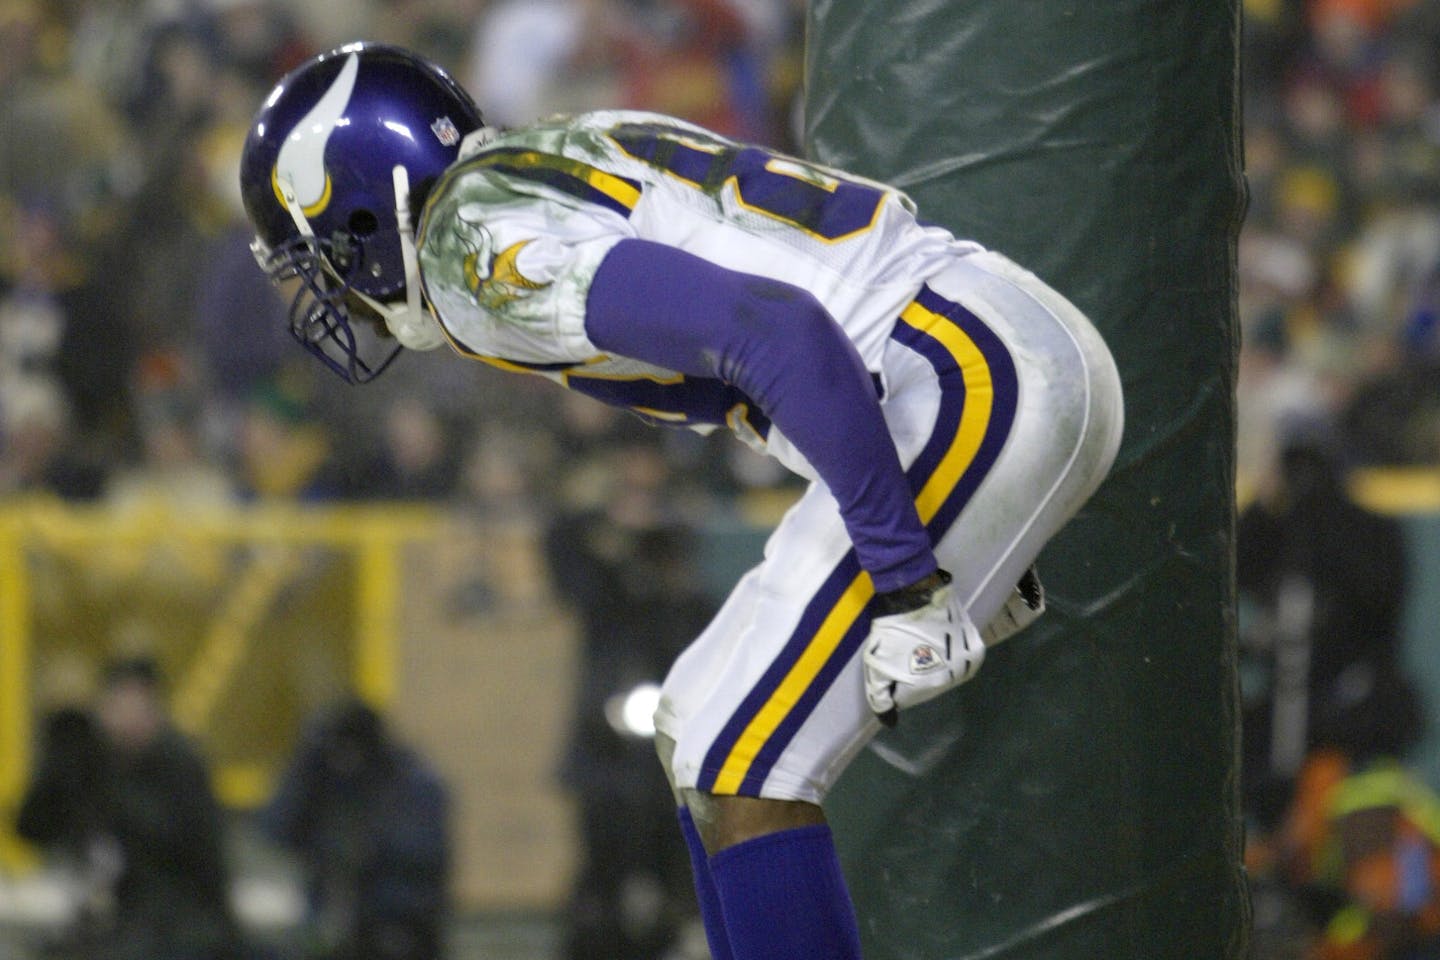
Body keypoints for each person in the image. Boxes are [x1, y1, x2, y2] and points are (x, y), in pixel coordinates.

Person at [236, 43, 1124, 960]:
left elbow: (779, 332)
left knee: (749, 764)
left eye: (320, 255)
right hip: (979, 355)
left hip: (960, 377)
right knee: (697, 724)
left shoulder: (473, 254)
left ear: (358, 203)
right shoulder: (533, 165)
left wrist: (908, 578)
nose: (331, 289)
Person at [15, 656, 243, 960]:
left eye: (136, 704)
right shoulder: (94, 761)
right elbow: (33, 828)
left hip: (177, 928)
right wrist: (63, 740)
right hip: (111, 926)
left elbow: (177, 846)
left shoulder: (176, 763)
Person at [260, 698, 450, 960]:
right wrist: (307, 768)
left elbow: (415, 859)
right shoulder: (325, 779)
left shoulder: (411, 784)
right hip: (330, 928)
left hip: (398, 930)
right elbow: (276, 831)